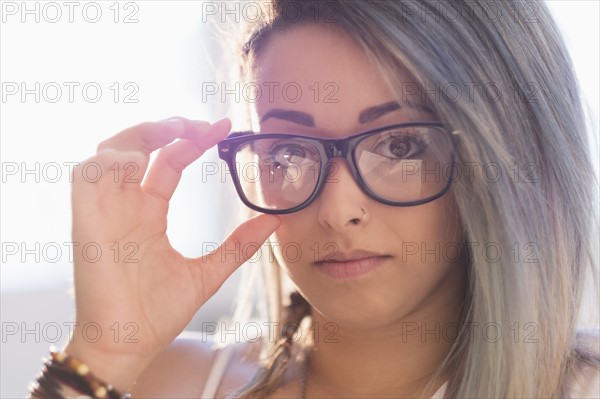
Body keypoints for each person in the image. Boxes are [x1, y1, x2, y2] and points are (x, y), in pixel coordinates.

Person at [29, 1, 599, 398]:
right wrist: (102, 354)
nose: (336, 209)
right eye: (289, 152)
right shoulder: (162, 383)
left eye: (400, 145)